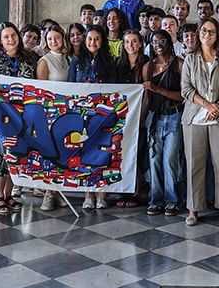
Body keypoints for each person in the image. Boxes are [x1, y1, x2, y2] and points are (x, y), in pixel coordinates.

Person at [181, 19, 219, 226]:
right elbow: (186, 89)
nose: (207, 35)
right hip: (195, 119)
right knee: (194, 165)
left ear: (217, 36)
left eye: (212, 31)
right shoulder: (190, 59)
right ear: (199, 33)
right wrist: (207, 105)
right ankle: (193, 208)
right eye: (204, 31)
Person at [0, 21, 38, 215]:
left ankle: (9, 194)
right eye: (6, 37)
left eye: (13, 35)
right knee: (0, 152)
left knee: (16, 153)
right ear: (0, 40)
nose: (11, 39)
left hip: (23, 114)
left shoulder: (30, 58)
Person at [68, 25, 117, 209]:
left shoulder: (110, 61)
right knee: (85, 153)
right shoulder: (76, 61)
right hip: (82, 114)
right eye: (89, 38)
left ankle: (101, 194)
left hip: (103, 113)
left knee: (103, 152)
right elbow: (70, 86)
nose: (93, 42)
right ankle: (88, 194)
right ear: (84, 40)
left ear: (102, 41)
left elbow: (113, 87)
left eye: (97, 39)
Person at [144, 30, 186, 216]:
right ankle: (156, 200)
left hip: (175, 115)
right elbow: (147, 98)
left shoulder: (179, 64)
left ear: (169, 42)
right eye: (154, 42)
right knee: (154, 158)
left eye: (162, 41)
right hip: (155, 117)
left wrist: (158, 89)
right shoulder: (148, 67)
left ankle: (172, 200)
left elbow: (184, 95)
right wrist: (141, 121)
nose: (158, 45)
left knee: (170, 159)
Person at [36, 25, 72, 212]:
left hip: (66, 111)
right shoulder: (45, 61)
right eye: (50, 39)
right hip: (50, 111)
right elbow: (41, 90)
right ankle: (48, 193)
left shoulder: (67, 58)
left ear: (63, 38)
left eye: (57, 37)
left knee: (63, 152)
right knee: (51, 153)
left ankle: (58, 191)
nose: (54, 42)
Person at [116, 30, 149, 208]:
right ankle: (124, 190)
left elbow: (147, 93)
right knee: (123, 152)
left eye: (134, 41)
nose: (131, 45)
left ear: (141, 43)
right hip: (121, 115)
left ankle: (135, 191)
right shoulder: (118, 64)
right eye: (127, 42)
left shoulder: (147, 63)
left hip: (140, 114)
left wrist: (141, 117)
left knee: (137, 153)